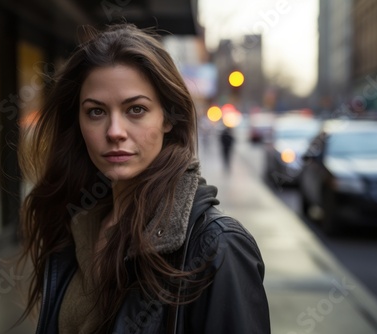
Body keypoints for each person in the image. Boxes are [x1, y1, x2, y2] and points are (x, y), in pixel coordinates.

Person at [17, 24, 270, 334]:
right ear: (78, 121)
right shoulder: (76, 225)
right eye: (96, 112)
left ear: (168, 118)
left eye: (136, 109)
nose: (114, 132)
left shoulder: (218, 246)